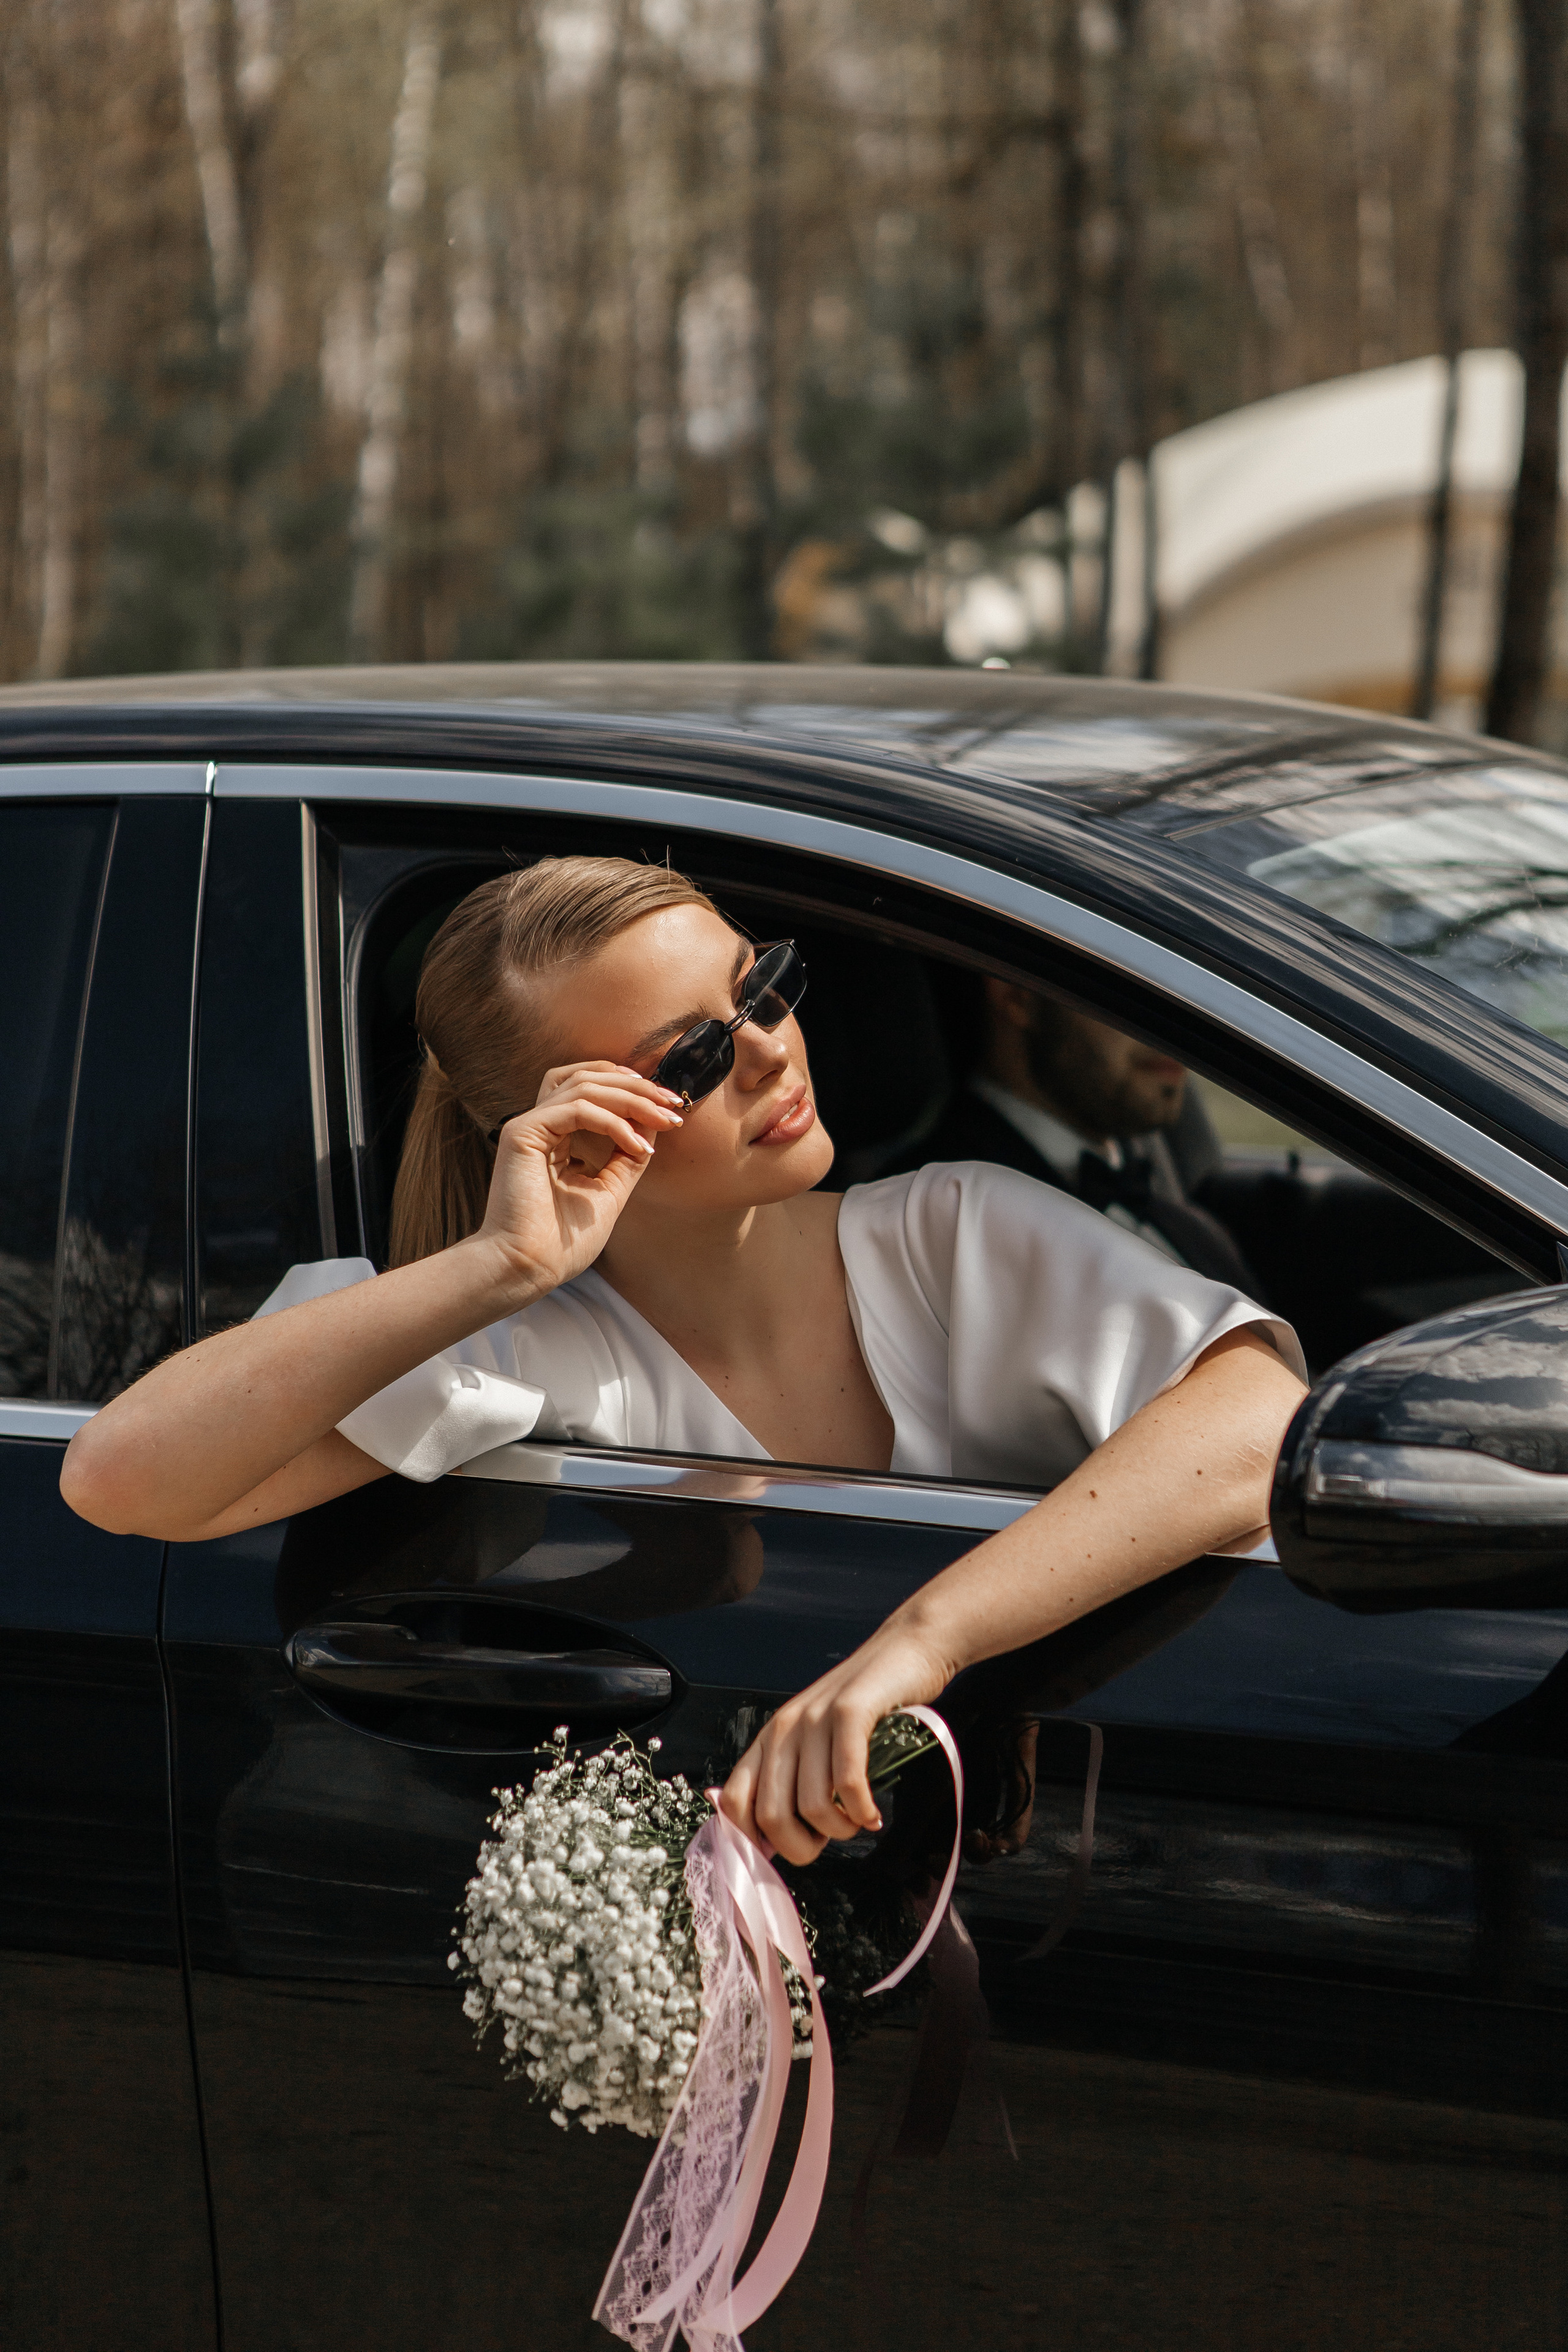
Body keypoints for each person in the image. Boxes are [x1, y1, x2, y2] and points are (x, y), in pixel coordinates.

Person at [61, 856, 1306, 1866]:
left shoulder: (958, 1232)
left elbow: (1259, 1417)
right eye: (691, 1060)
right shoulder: (528, 1345)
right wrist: (498, 1260)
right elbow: (121, 1480)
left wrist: (922, 1641)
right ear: (562, 1128)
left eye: (761, 988)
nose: (767, 1049)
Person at [909, 976, 1257, 1290]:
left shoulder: (1186, 1219)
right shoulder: (931, 1216)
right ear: (1017, 997)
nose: (1177, 1019)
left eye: (1179, 986)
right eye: (1134, 983)